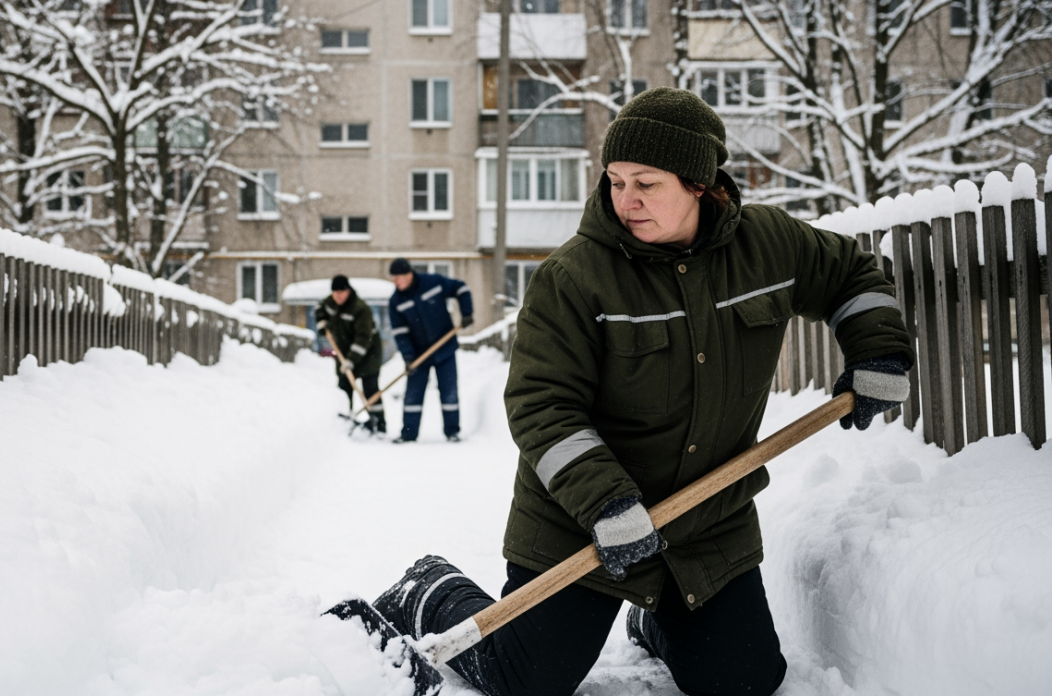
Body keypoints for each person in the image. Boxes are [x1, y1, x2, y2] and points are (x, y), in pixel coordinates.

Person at [369, 88, 913, 696]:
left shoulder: (769, 246)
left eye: (646, 184)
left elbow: (850, 272)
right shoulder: (574, 277)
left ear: (700, 184)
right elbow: (540, 405)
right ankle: (428, 588)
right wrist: (605, 503)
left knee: (746, 683)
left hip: (705, 524)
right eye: (615, 180)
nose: (625, 200)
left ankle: (657, 622)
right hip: (580, 521)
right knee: (524, 680)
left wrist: (878, 348)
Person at [386, 258, 474, 444]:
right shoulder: (396, 301)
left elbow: (461, 288)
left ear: (408, 274)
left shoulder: (432, 282)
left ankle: (452, 432)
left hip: (445, 348)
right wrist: (409, 358)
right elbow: (401, 334)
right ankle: (408, 434)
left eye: (398, 278)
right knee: (413, 395)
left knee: (449, 392)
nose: (396, 282)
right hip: (419, 355)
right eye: (393, 279)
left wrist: (467, 312)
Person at [315, 275, 385, 434]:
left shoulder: (360, 308)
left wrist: (352, 360)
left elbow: (363, 338)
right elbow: (319, 308)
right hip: (344, 352)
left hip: (368, 354)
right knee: (344, 388)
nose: (338, 296)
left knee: (370, 389)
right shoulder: (331, 303)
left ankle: (379, 425)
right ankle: (344, 422)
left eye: (342, 292)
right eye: (335, 292)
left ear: (348, 291)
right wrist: (321, 322)